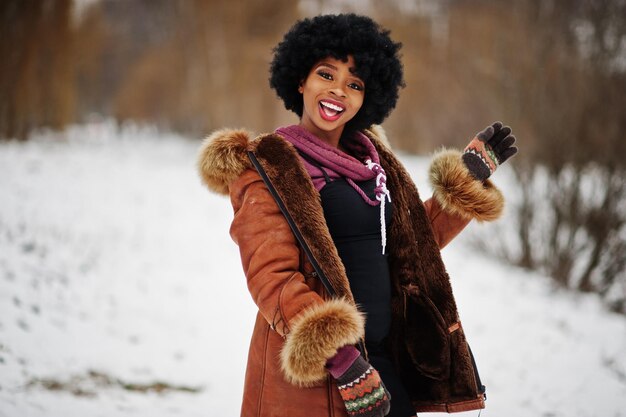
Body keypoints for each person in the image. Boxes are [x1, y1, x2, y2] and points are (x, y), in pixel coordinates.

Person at [197, 13, 517, 417]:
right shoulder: (268, 167)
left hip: (383, 360)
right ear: (300, 80)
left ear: (368, 97)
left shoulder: (373, 160)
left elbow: (410, 246)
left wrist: (465, 181)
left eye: (354, 84)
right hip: (320, 377)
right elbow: (272, 279)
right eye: (325, 75)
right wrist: (343, 360)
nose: (338, 91)